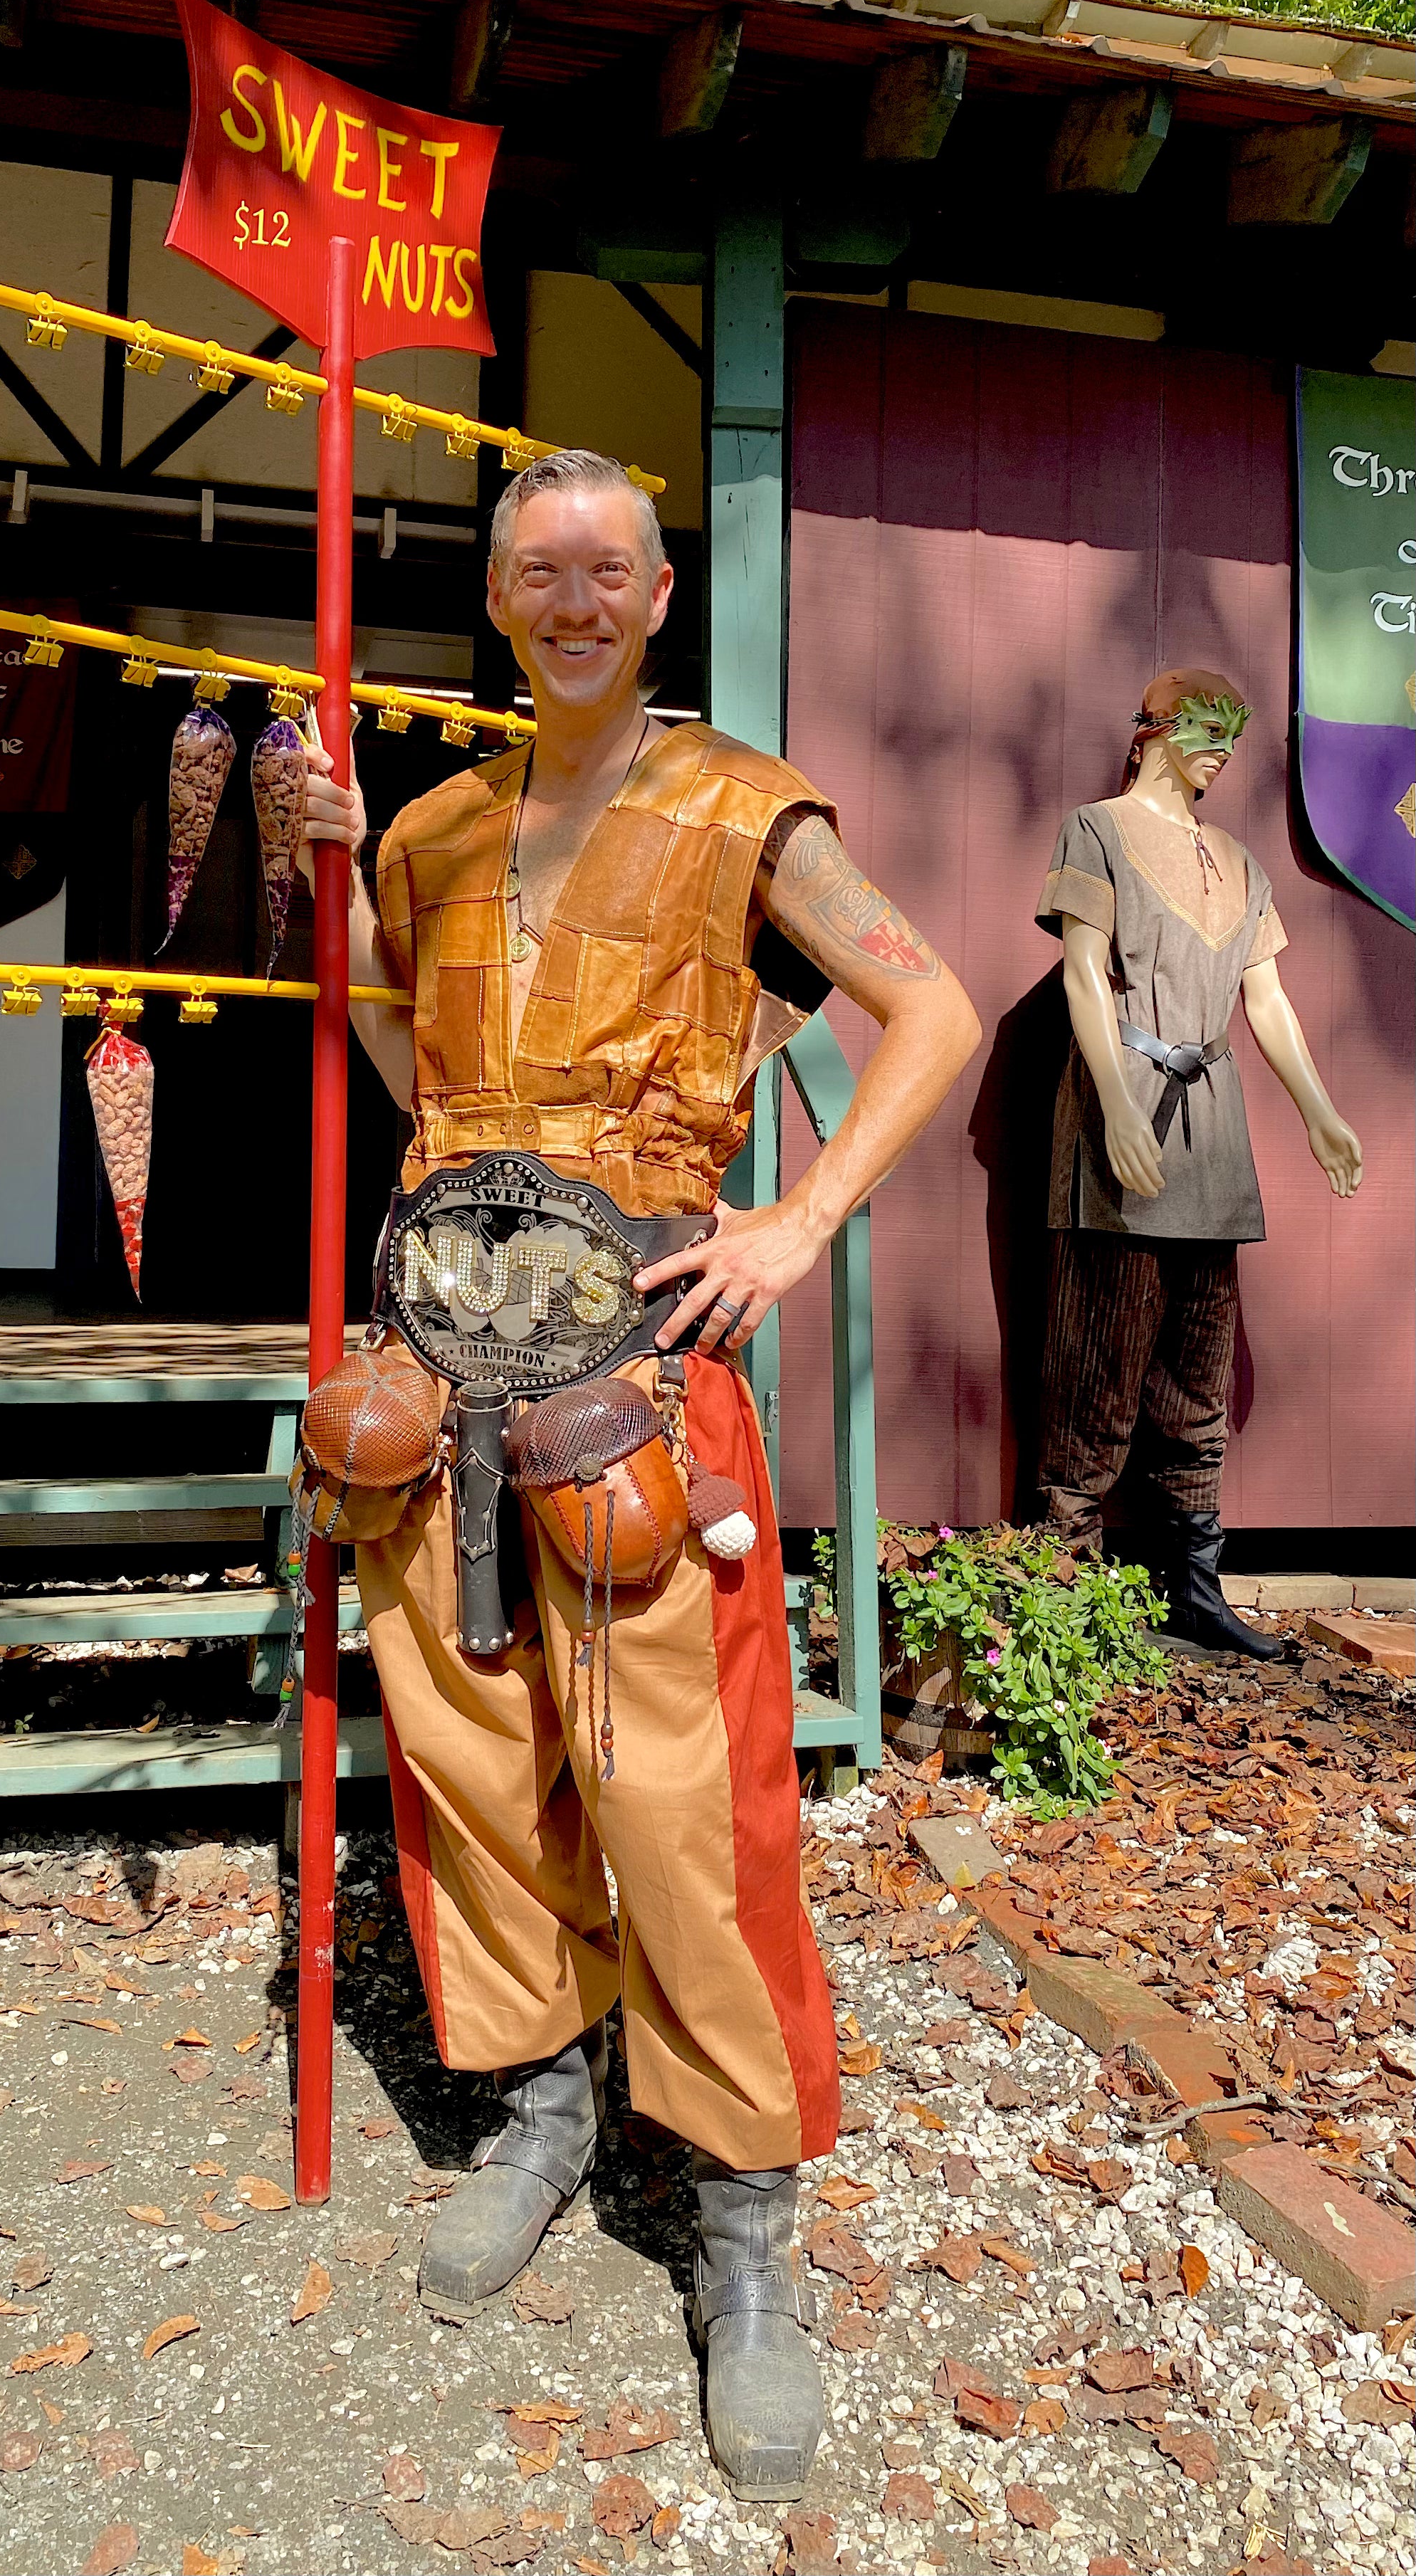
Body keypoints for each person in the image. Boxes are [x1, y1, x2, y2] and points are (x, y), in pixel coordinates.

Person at [298, 449, 978, 2501]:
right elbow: (410, 1058)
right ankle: (533, 2112)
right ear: (495, 601)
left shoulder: (741, 809)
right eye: (536, 572)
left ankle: (747, 2230)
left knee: (687, 1806)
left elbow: (931, 1004)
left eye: (606, 568)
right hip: (435, 1368)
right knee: (475, 1769)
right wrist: (328, 878)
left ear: (658, 591)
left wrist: (795, 1222)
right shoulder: (424, 828)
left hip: (634, 1382)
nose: (572, 599)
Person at [1034, 666, 1363, 1653]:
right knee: (1098, 1368)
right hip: (1123, 1110)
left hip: (1214, 1135)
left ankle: (1193, 1591)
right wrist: (1113, 1104)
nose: (1224, 747)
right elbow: (1084, 975)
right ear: (1156, 731)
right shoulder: (1095, 830)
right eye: (1207, 729)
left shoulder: (1238, 859)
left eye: (1235, 733)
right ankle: (1067, 1609)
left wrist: (1319, 1109)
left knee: (1197, 1369)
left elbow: (1266, 998)